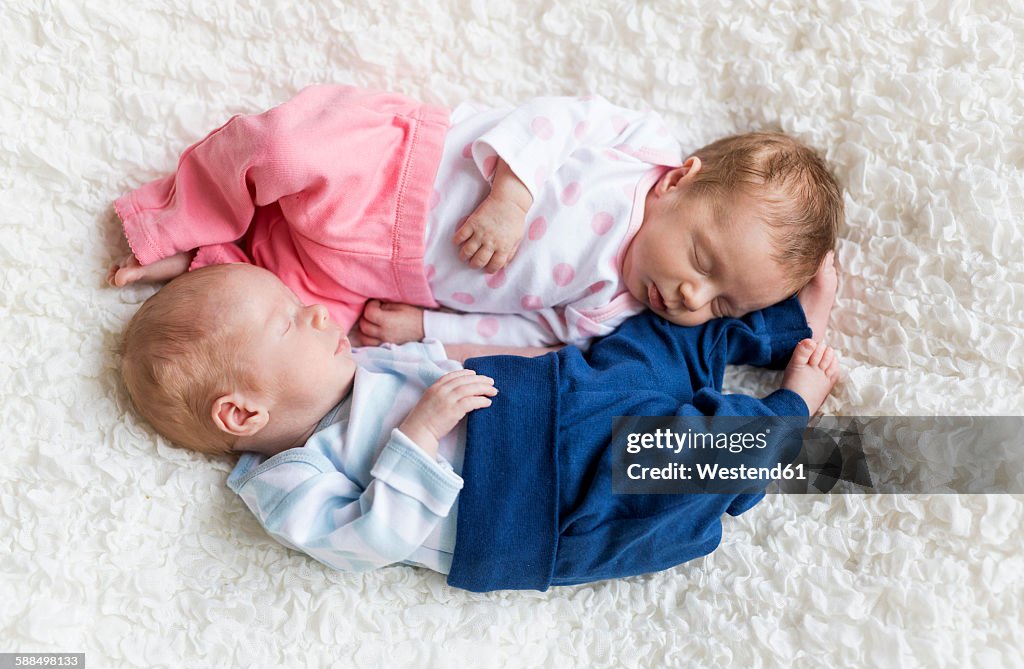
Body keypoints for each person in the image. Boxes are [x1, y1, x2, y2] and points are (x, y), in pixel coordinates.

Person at [117, 262, 840, 591]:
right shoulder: (287, 480)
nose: (313, 311)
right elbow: (368, 542)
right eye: (286, 322)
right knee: (678, 464)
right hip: (536, 508)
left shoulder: (361, 361)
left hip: (551, 394)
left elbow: (458, 352)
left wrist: (564, 360)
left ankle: (784, 327)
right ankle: (790, 415)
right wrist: (416, 438)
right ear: (243, 412)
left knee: (654, 341)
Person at [108, 84, 843, 348]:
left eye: (721, 306)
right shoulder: (638, 149)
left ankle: (201, 265)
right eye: (705, 264)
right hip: (398, 172)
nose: (690, 298)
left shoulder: (609, 308)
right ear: (682, 181)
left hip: (376, 277)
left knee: (290, 336)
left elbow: (526, 334)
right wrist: (513, 196)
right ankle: (178, 215)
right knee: (285, 145)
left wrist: (430, 327)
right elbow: (556, 120)